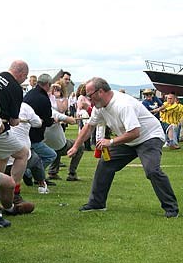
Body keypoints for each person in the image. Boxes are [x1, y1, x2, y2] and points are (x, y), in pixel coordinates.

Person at [67, 77, 179, 218]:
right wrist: (76, 146)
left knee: (152, 170)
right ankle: (97, 203)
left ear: (100, 92)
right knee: (105, 164)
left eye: (90, 95)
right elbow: (89, 126)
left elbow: (135, 132)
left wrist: (111, 142)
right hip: (128, 139)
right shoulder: (99, 107)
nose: (89, 100)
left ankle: (171, 209)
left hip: (149, 137)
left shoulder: (123, 105)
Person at [0, 60, 31, 206]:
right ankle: (14, 192)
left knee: (4, 155)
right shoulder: (15, 88)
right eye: (25, 77)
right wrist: (17, 120)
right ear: (22, 74)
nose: (24, 80)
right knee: (23, 154)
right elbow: (13, 121)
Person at [23, 74, 57, 180]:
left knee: (33, 157)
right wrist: (52, 121)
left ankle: (29, 172)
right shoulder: (43, 99)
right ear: (47, 84)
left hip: (25, 133)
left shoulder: (29, 94)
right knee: (50, 155)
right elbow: (46, 120)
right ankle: (30, 173)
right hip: (35, 135)